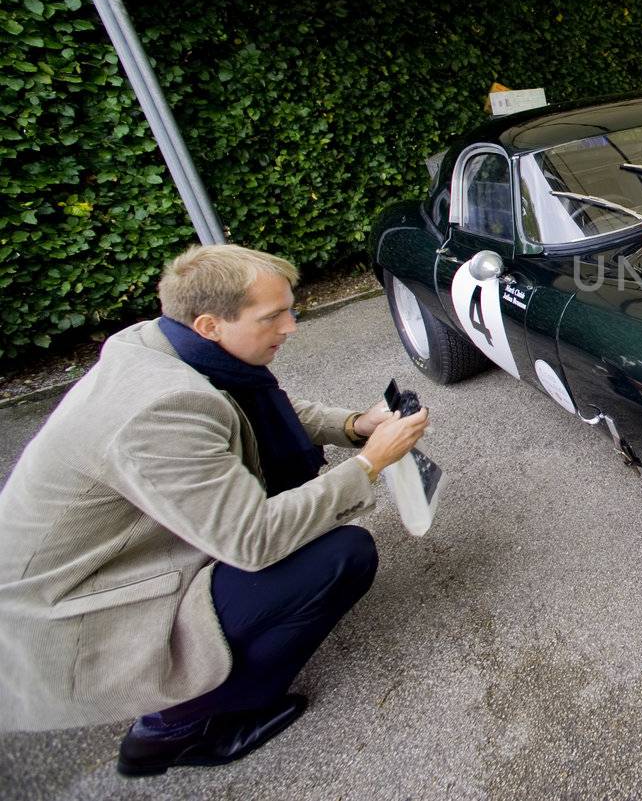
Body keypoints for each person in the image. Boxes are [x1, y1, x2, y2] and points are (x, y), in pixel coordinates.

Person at [0, 244, 429, 776]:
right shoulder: (163, 408)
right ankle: (175, 730)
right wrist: (368, 463)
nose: (291, 326)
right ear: (209, 324)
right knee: (342, 555)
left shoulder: (166, 345)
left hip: (102, 567)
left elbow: (250, 410)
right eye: (273, 316)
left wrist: (352, 427)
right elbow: (253, 541)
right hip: (75, 611)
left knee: (318, 543)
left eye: (289, 308)